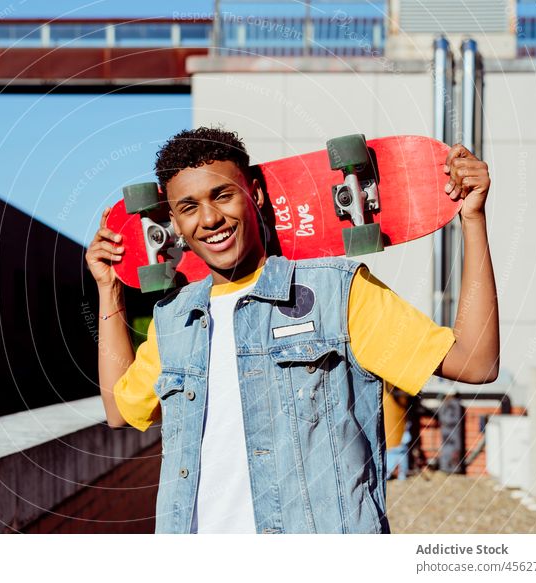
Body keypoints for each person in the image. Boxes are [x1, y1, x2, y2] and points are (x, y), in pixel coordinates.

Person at [85, 127, 499, 534]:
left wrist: (473, 220)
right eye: (189, 207)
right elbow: (119, 411)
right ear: (173, 221)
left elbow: (477, 362)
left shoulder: (337, 292)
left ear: (256, 194)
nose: (210, 218)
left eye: (223, 195)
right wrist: (109, 289)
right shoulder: (176, 319)